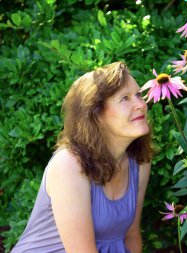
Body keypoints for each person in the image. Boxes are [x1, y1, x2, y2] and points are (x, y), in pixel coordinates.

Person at [11, 61, 153, 253]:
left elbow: (131, 235)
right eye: (125, 98)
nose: (141, 105)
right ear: (96, 115)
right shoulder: (68, 165)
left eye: (138, 95)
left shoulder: (139, 162)